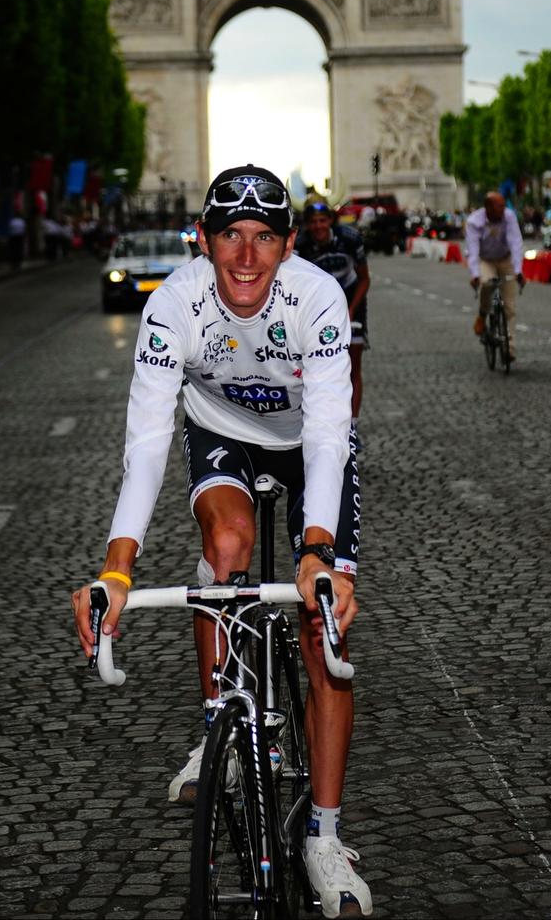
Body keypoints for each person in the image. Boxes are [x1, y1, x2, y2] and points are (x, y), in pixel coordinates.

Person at [72, 165, 372, 919]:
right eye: (229, 236)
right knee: (229, 543)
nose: (246, 256)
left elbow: (332, 432)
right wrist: (115, 568)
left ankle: (325, 833)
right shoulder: (173, 304)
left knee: (322, 630)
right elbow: (145, 441)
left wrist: (316, 553)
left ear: (288, 242)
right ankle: (218, 724)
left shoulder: (320, 296)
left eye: (264, 237)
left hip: (307, 446)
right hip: (223, 438)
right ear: (202, 241)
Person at [295, 200, 370, 449]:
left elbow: (364, 279)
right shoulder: (300, 245)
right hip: (317, 306)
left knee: (352, 366)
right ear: (307, 225)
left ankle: (352, 426)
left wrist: (348, 312)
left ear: (331, 221)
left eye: (323, 221)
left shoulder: (350, 238)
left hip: (351, 299)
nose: (319, 226)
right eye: (314, 222)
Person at [466, 192, 525, 361]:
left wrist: (518, 271)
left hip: (505, 258)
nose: (503, 209)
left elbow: (516, 243)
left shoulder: (509, 216)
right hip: (485, 260)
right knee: (487, 283)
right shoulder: (474, 221)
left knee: (510, 308)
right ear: (488, 208)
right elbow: (473, 250)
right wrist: (475, 275)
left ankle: (509, 350)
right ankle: (483, 314)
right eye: (500, 206)